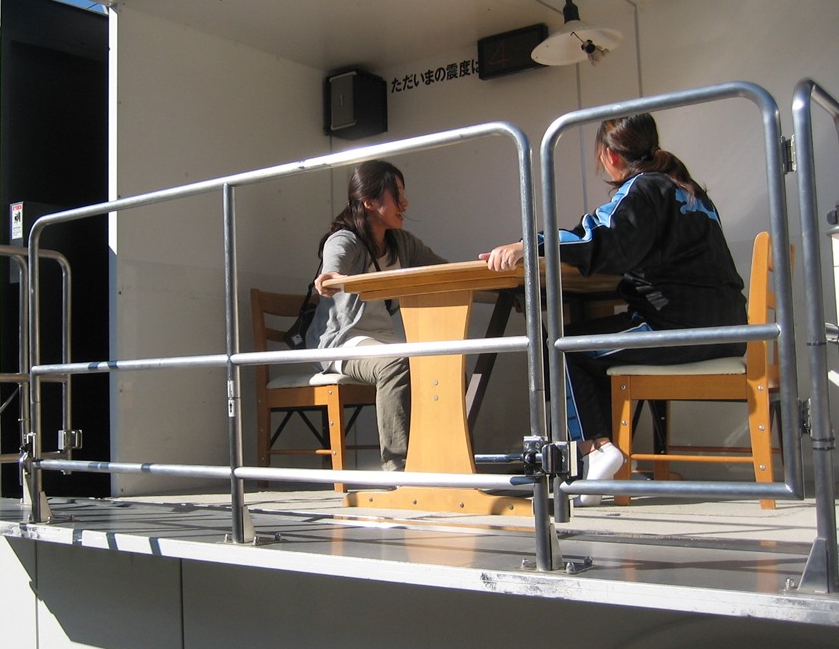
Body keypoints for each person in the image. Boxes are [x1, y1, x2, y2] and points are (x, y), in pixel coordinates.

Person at [480, 113, 747, 505]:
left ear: (611, 156)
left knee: (562, 347)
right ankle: (604, 463)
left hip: (677, 328)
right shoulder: (690, 192)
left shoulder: (644, 188)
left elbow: (600, 237)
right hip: (730, 331)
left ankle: (596, 450)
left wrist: (529, 244)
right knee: (591, 346)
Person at [307, 160, 447, 472]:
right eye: (397, 194)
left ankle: (443, 459)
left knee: (444, 367)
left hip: (381, 342)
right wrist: (331, 275)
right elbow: (335, 259)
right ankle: (399, 468)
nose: (405, 203)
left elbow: (443, 270)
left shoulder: (402, 243)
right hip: (341, 343)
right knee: (397, 364)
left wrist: (499, 273)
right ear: (369, 202)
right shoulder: (347, 238)